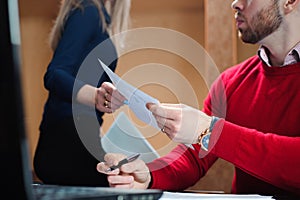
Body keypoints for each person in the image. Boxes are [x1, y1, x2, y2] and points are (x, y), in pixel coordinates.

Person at [96, 0, 300, 196]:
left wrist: (211, 132)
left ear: (290, 1)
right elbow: (195, 158)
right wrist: (148, 176)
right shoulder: (231, 82)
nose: (235, 4)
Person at [34, 0, 131, 186]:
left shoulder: (99, 17)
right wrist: (96, 96)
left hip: (81, 138)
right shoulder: (89, 11)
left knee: (127, 177)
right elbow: (54, 74)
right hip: (65, 144)